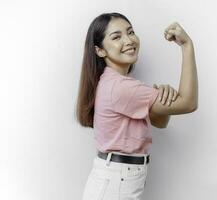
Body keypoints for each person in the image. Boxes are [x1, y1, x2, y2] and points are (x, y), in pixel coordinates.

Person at [76, 12, 198, 200]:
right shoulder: (121, 87)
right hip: (115, 184)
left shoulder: (117, 82)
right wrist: (186, 45)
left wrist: (163, 97)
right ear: (100, 50)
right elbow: (188, 103)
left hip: (117, 180)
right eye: (116, 37)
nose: (129, 40)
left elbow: (159, 122)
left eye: (130, 32)